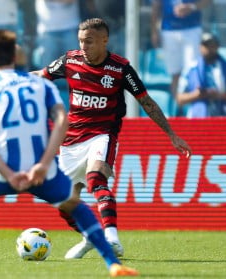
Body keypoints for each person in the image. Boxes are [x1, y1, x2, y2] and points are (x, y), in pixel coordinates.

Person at [0, 29, 139, 277]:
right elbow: (62, 121)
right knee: (74, 203)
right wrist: (44, 164)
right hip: (40, 171)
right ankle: (113, 264)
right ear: (16, 56)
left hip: (3, 172)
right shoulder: (39, 84)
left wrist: (8, 174)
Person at [32, 18, 192, 259]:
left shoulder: (120, 69)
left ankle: (112, 238)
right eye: (81, 41)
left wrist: (171, 134)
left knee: (96, 179)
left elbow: (146, 101)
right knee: (64, 202)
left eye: (89, 41)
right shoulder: (70, 60)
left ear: (104, 41)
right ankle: (90, 237)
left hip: (102, 135)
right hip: (71, 140)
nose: (83, 46)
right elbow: (40, 75)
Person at [150, 0, 211, 101]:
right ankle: (177, 108)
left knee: (193, 71)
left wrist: (192, 7)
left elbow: (207, 1)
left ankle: (191, 110)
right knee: (175, 73)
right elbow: (156, 6)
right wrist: (154, 32)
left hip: (192, 30)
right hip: (169, 31)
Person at [177, 32, 226, 118]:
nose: (208, 49)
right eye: (205, 45)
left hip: (223, 117)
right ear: (200, 47)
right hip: (197, 119)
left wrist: (219, 95)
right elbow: (180, 99)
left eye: (212, 45)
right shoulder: (190, 69)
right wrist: (196, 95)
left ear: (217, 47)